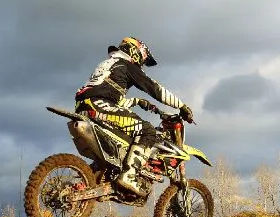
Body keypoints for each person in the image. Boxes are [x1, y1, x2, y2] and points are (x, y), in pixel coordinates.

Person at [75, 37, 193, 195]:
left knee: (122, 142)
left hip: (85, 106)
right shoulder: (127, 64)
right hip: (99, 105)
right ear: (135, 52)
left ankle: (84, 182)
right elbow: (154, 88)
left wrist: (138, 101)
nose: (142, 64)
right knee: (147, 131)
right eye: (143, 59)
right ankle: (129, 175)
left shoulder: (110, 63)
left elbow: (110, 93)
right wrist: (181, 106)